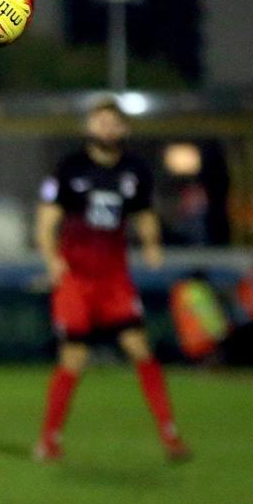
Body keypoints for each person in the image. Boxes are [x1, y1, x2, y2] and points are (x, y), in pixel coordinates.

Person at [34, 98, 191, 462]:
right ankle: (49, 440)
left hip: (114, 279)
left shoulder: (135, 170)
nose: (105, 128)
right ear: (88, 127)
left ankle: (171, 436)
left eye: (112, 122)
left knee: (140, 348)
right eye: (99, 121)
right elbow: (46, 220)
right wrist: (51, 257)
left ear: (123, 129)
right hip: (76, 278)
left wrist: (152, 244)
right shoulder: (69, 169)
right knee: (74, 356)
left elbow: (144, 213)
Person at [169, 270, 230, 363]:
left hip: (186, 339)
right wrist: (220, 332)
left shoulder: (179, 290)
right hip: (204, 338)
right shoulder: (199, 291)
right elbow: (207, 313)